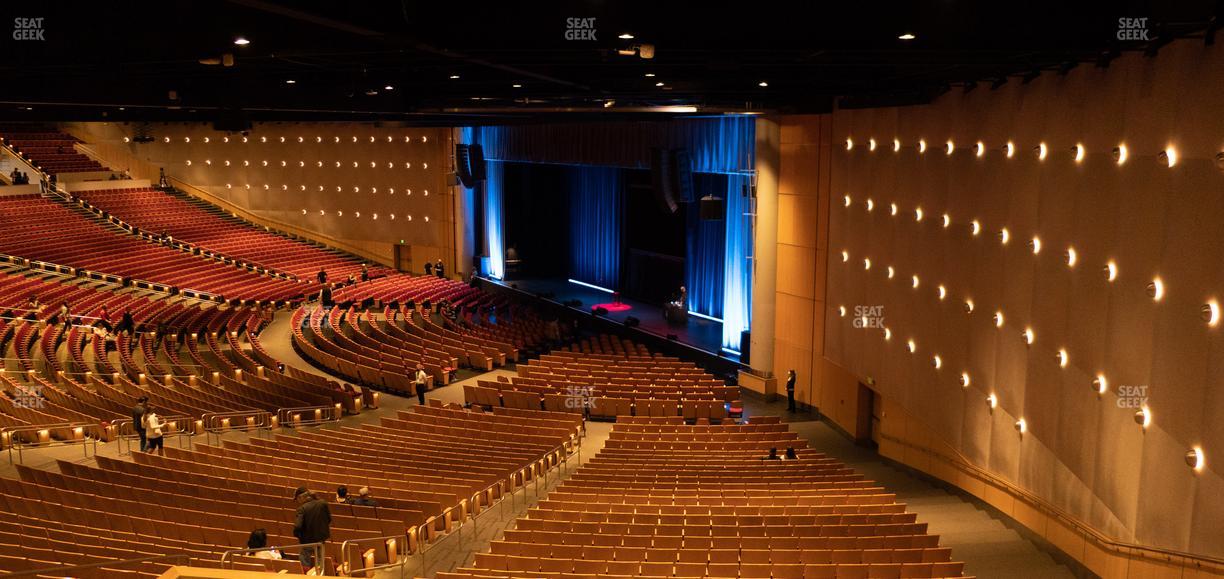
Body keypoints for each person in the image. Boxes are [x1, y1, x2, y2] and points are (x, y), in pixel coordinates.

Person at [292, 486, 331, 571]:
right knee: (320, 563)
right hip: (320, 539)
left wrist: (298, 536)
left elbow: (297, 526)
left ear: (300, 497)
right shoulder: (323, 503)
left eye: (297, 499)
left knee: (305, 562)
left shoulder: (302, 509)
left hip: (307, 541)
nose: (298, 502)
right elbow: (329, 519)